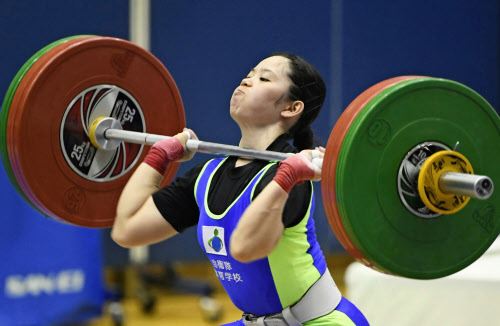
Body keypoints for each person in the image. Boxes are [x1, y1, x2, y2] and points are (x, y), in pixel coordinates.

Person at [111, 53, 369, 326]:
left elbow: (245, 248)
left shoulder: (293, 176)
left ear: (291, 108)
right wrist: (159, 157)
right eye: (249, 73)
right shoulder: (207, 177)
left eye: (264, 78)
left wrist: (289, 176)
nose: (247, 80)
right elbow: (127, 230)